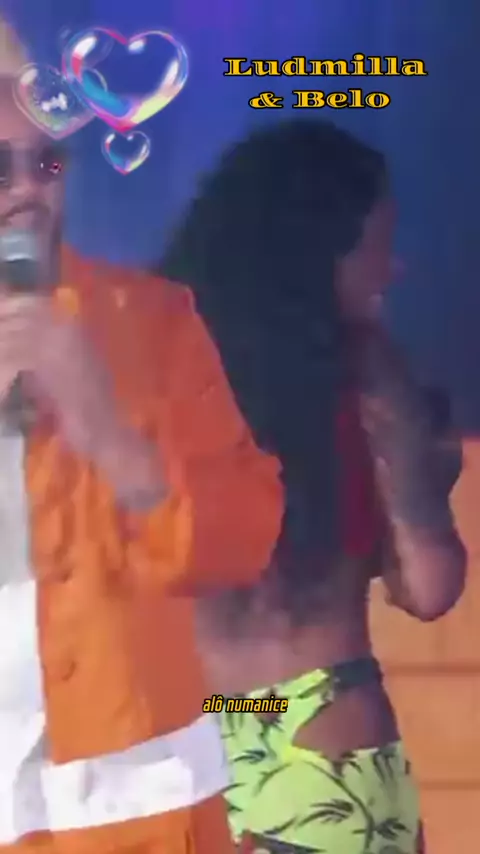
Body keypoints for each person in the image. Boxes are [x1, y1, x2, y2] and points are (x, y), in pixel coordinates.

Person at [0, 18, 283, 854]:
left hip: (137, 812)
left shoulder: (153, 324)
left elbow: (240, 546)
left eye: (47, 164)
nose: (27, 191)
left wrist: (106, 430)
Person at [160, 119, 466, 854]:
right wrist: (428, 478)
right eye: (378, 245)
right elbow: (428, 587)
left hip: (183, 742)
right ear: (319, 248)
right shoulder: (368, 376)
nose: (393, 269)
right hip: (323, 738)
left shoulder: (155, 371)